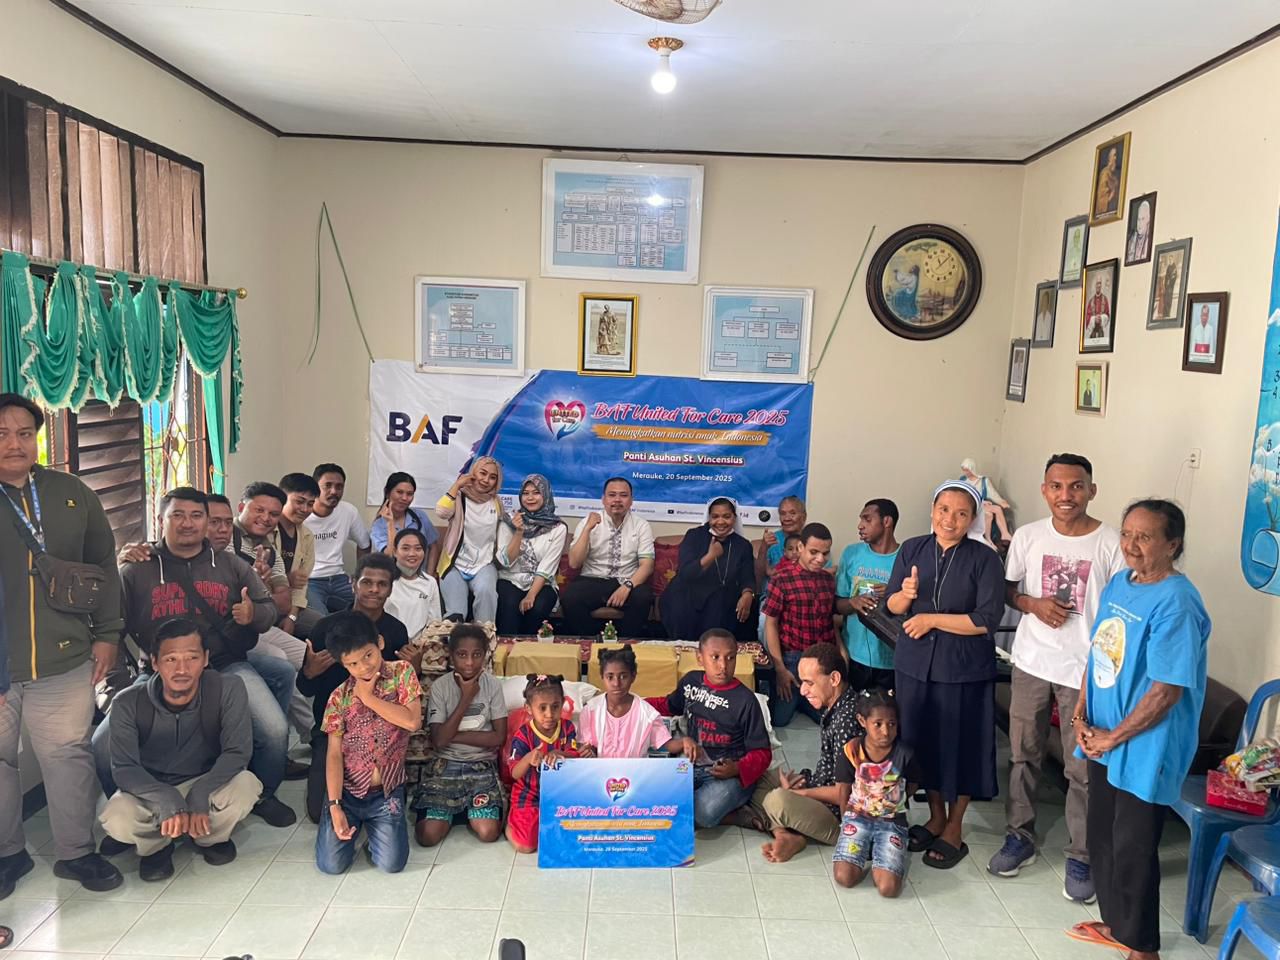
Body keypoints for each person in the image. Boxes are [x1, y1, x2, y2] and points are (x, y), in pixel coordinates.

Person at [1067, 500, 1210, 960]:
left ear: (1173, 545)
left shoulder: (1178, 602)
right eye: (1127, 533)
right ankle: (1118, 926)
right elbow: (1099, 650)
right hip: (1103, 737)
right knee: (1103, 836)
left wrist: (1113, 737)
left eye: (1145, 537)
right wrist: (1082, 712)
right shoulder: (1120, 583)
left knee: (1133, 845)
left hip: (1146, 745)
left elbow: (1166, 691)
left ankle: (1143, 947)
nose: (1131, 545)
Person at [0, 392, 125, 896]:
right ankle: (7, 855)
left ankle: (76, 853)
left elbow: (104, 564)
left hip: (66, 658)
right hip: (1, 668)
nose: (14, 444)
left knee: (68, 757)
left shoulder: (71, 492)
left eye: (24, 434)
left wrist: (109, 634)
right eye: (1, 434)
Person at [112, 486, 295, 827]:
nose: (187, 523)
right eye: (177, 515)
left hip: (224, 665)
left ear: (206, 521)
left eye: (196, 516)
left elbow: (269, 610)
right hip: (158, 673)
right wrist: (117, 686)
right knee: (101, 741)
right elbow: (112, 631)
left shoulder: (230, 565)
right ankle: (135, 806)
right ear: (161, 520)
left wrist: (253, 613)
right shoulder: (137, 569)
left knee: (274, 729)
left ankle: (264, 793)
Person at [988, 454, 1126, 903]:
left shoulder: (1111, 543)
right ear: (1044, 490)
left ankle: (1082, 855)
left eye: (1076, 486)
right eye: (1056, 486)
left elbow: (1123, 608)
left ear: (1092, 490)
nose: (1066, 495)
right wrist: (1033, 605)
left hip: (1085, 673)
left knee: (1081, 767)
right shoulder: (1029, 536)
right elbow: (1008, 589)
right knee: (1022, 755)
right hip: (1031, 663)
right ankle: (1019, 837)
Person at [885, 479, 1005, 869]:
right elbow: (892, 605)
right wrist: (905, 594)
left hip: (963, 669)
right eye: (944, 510)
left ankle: (954, 826)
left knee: (961, 746)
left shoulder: (985, 559)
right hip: (915, 666)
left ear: (972, 519)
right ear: (932, 510)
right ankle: (935, 817)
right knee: (922, 744)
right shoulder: (912, 548)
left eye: (961, 513)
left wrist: (932, 619)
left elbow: (986, 619)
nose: (950, 519)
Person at [99, 618, 262, 880]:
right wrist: (166, 797)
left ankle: (208, 837)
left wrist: (201, 791)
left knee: (247, 785)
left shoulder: (228, 688)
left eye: (192, 658)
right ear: (155, 662)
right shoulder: (128, 702)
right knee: (115, 816)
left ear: (205, 658)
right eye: (171, 659)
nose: (182, 669)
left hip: (206, 779)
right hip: (152, 787)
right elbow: (125, 768)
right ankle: (156, 847)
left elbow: (237, 752)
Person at [297, 553, 411, 824]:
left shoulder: (396, 631)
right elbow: (305, 688)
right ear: (352, 583)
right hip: (333, 732)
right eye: (366, 582)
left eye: (382, 584)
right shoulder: (325, 628)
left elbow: (401, 692)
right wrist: (310, 672)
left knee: (386, 803)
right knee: (319, 813)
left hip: (381, 731)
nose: (374, 590)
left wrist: (412, 667)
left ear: (390, 589)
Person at [315, 611, 422, 876]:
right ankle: (345, 818)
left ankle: (375, 826)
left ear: (380, 643)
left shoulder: (402, 673)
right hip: (348, 792)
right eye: (352, 663)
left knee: (392, 864)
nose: (363, 667)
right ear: (343, 664)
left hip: (386, 789)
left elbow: (412, 722)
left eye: (368, 655)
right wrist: (335, 805)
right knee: (331, 865)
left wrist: (368, 699)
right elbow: (334, 755)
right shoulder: (339, 697)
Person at [752, 642, 862, 863]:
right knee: (758, 779)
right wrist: (805, 783)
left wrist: (801, 794)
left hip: (838, 814)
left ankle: (787, 830)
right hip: (822, 789)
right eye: (802, 682)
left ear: (834, 679)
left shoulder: (847, 721)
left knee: (776, 800)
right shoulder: (837, 704)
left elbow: (846, 793)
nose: (802, 691)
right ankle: (786, 835)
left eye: (809, 683)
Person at [664, 629, 771, 829]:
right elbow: (669, 706)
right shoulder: (691, 682)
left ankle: (734, 812)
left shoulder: (746, 700)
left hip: (730, 776)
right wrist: (633, 703)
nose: (723, 666)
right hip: (692, 765)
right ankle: (730, 814)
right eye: (715, 657)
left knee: (704, 811)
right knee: (658, 792)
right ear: (700, 658)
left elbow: (763, 753)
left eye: (730, 658)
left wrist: (737, 768)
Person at [415, 623, 507, 846]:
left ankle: (465, 810)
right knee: (427, 836)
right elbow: (438, 742)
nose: (469, 663)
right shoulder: (441, 687)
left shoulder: (493, 686)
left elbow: (498, 737)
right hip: (445, 764)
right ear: (451, 655)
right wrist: (466, 698)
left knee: (488, 833)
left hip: (481, 765)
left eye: (476, 655)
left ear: (485, 655)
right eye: (462, 655)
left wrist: (450, 735)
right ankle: (457, 810)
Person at [828, 689, 921, 896]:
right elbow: (844, 789)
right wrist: (846, 821)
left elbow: (913, 784)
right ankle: (864, 846)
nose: (886, 731)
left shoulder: (905, 754)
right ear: (863, 721)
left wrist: (895, 801)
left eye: (892, 724)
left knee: (888, 888)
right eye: (877, 724)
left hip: (891, 822)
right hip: (857, 818)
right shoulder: (851, 751)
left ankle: (879, 849)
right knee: (844, 877)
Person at [762, 522, 836, 727]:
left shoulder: (828, 580)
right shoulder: (782, 579)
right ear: (801, 547)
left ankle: (805, 699)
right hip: (792, 658)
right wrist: (780, 668)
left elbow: (830, 619)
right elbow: (771, 624)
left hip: (821, 659)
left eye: (825, 553)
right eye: (814, 552)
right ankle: (797, 696)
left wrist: (841, 653)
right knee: (780, 719)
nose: (820, 559)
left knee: (827, 719)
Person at [561, 477, 656, 638]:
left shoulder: (641, 525)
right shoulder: (588, 522)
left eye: (623, 495)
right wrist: (587, 529)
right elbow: (574, 563)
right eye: (612, 495)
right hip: (593, 580)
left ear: (631, 500)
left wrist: (627, 586)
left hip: (627, 580)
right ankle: (591, 641)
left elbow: (647, 565)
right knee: (571, 597)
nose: (617, 500)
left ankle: (624, 643)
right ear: (603, 499)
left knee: (643, 596)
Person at [506, 674, 590, 853]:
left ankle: (543, 819)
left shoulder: (567, 727)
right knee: (525, 846)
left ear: (563, 703)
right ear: (528, 708)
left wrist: (561, 753)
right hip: (529, 794)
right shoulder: (523, 735)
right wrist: (528, 759)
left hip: (559, 793)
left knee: (575, 838)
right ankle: (510, 825)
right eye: (542, 708)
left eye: (555, 706)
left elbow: (575, 756)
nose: (549, 714)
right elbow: (514, 773)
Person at [661, 497, 756, 643]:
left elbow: (747, 576)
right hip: (687, 594)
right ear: (709, 518)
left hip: (721, 598)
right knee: (681, 599)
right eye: (715, 517)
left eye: (726, 516)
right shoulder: (694, 536)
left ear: (734, 518)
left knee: (724, 601)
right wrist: (710, 557)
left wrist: (747, 594)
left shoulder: (742, 545)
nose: (720, 522)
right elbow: (686, 574)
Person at [835, 499, 901, 690]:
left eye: (867, 519)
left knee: (886, 709)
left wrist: (893, 594)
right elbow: (836, 605)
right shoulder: (851, 553)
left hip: (893, 660)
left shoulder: (907, 557)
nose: (860, 525)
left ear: (886, 522)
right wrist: (853, 603)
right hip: (855, 656)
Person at [496, 474, 568, 635]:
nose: (530, 498)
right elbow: (505, 561)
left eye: (536, 493)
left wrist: (531, 595)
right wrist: (518, 532)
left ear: (546, 495)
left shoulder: (557, 527)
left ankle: (528, 647)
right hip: (510, 578)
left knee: (538, 607)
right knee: (509, 604)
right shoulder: (508, 521)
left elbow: (547, 566)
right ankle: (506, 647)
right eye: (525, 493)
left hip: (542, 583)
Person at [436, 457, 505, 624]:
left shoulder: (496, 502)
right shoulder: (459, 496)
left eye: (492, 477)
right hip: (454, 564)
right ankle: (453, 639)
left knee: (486, 594)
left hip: (484, 563)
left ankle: (485, 636)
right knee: (456, 614)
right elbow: (442, 512)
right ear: (473, 473)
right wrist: (457, 485)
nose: (486, 480)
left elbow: (502, 531)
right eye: (482, 473)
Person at [579, 646, 671, 758]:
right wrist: (589, 751)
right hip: (598, 769)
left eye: (623, 677)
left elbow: (666, 743)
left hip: (636, 769)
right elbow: (585, 746)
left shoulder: (647, 714)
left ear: (633, 676)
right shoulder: (590, 710)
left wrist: (684, 742)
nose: (616, 683)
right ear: (602, 677)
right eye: (610, 677)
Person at [306, 463, 371, 615]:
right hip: (310, 581)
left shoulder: (348, 511)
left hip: (339, 578)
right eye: (327, 486)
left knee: (368, 610)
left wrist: (360, 575)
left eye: (339, 487)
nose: (334, 491)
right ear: (315, 487)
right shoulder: (302, 514)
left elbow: (364, 544)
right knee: (320, 620)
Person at [275, 472, 320, 635]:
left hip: (290, 607)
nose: (305, 509)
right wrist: (286, 580)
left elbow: (301, 586)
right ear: (282, 498)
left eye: (310, 504)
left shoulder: (307, 536)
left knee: (326, 626)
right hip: (264, 606)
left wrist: (292, 617)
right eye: (299, 502)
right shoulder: (266, 529)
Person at [372, 472, 440, 572]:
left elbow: (433, 546)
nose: (404, 498)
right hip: (393, 577)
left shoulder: (420, 516)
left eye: (409, 494)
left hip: (419, 576)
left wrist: (429, 575)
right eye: (399, 492)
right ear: (387, 493)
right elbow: (390, 556)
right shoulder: (379, 525)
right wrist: (390, 523)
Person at [385, 529, 443, 638]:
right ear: (395, 551)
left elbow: (434, 623)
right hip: (388, 641)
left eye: (418, 548)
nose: (412, 554)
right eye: (405, 548)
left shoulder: (430, 582)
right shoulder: (385, 580)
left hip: (419, 644)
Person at [960, 458, 1012, 545]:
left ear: (972, 469)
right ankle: (990, 538)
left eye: (967, 470)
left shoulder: (983, 481)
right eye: (964, 470)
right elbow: (963, 496)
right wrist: (981, 502)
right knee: (991, 513)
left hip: (981, 505)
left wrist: (1001, 501)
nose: (965, 473)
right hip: (971, 506)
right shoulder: (963, 481)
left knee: (996, 510)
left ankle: (1004, 534)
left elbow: (992, 493)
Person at [1094, 148, 1119, 218]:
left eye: (1116, 155)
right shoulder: (1105, 173)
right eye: (1114, 155)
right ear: (1109, 158)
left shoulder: (1115, 174)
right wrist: (1112, 193)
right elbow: (1101, 196)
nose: (1115, 158)